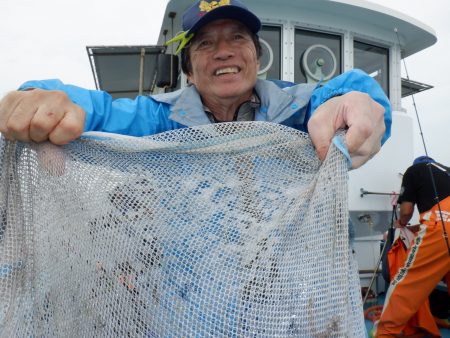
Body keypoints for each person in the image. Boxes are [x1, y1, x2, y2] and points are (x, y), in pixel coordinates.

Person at [0, 0, 390, 169]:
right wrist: (39, 95)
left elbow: (340, 92)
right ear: (189, 71)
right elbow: (99, 111)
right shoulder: (158, 119)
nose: (223, 52)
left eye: (238, 38)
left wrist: (361, 99)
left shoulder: (299, 108)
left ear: (257, 57)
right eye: (205, 43)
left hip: (296, 302)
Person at [374, 156, 450, 337]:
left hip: (441, 225)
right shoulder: (446, 171)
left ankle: (385, 332)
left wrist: (400, 223)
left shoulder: (414, 170)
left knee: (406, 282)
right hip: (443, 226)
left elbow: (407, 211)